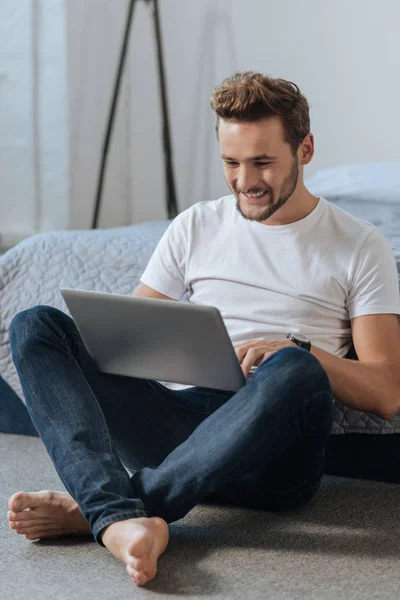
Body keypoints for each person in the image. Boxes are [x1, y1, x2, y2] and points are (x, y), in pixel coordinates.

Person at [7, 71, 400, 588]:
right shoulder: (196, 224)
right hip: (183, 426)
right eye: (231, 163)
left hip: (277, 454)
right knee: (35, 325)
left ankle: (102, 512)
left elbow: (387, 390)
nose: (245, 181)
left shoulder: (359, 243)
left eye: (263, 162)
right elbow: (126, 341)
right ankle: (120, 514)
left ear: (304, 150)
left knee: (295, 368)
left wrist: (295, 348)